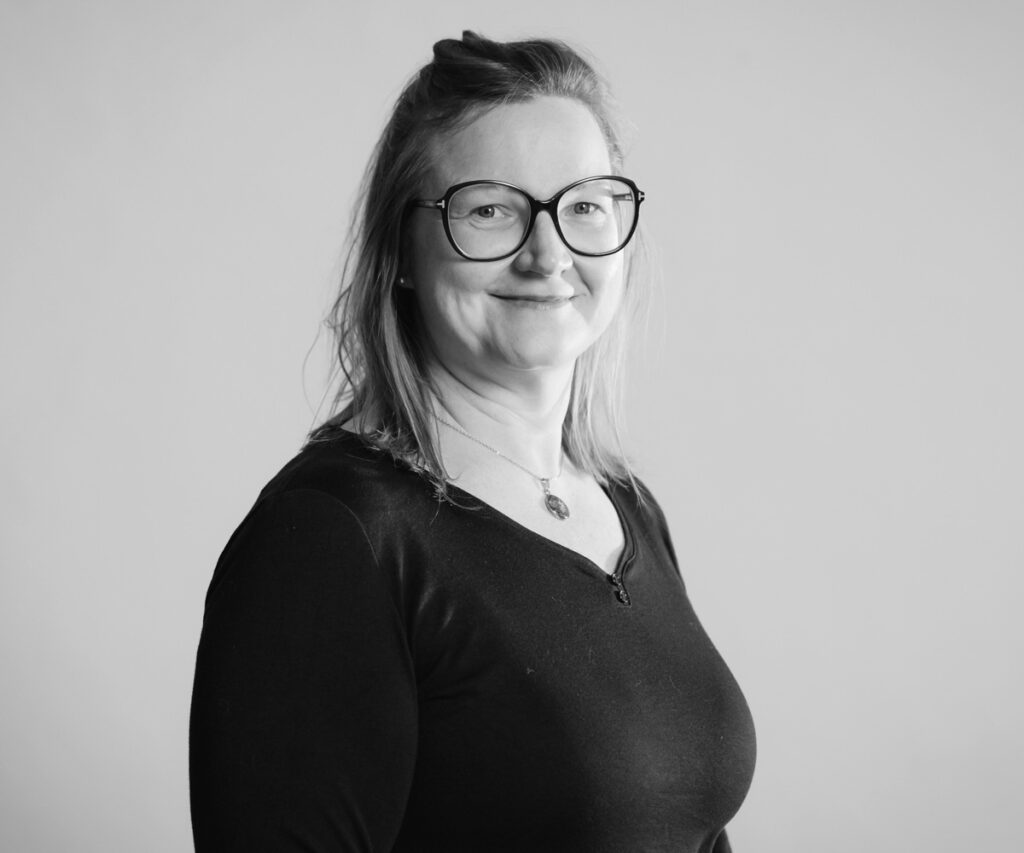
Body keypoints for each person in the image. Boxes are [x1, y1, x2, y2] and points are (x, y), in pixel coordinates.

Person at [189, 31, 756, 852]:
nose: (548, 254)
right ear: (402, 250)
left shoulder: (623, 506)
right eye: (490, 209)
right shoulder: (333, 538)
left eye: (585, 205)